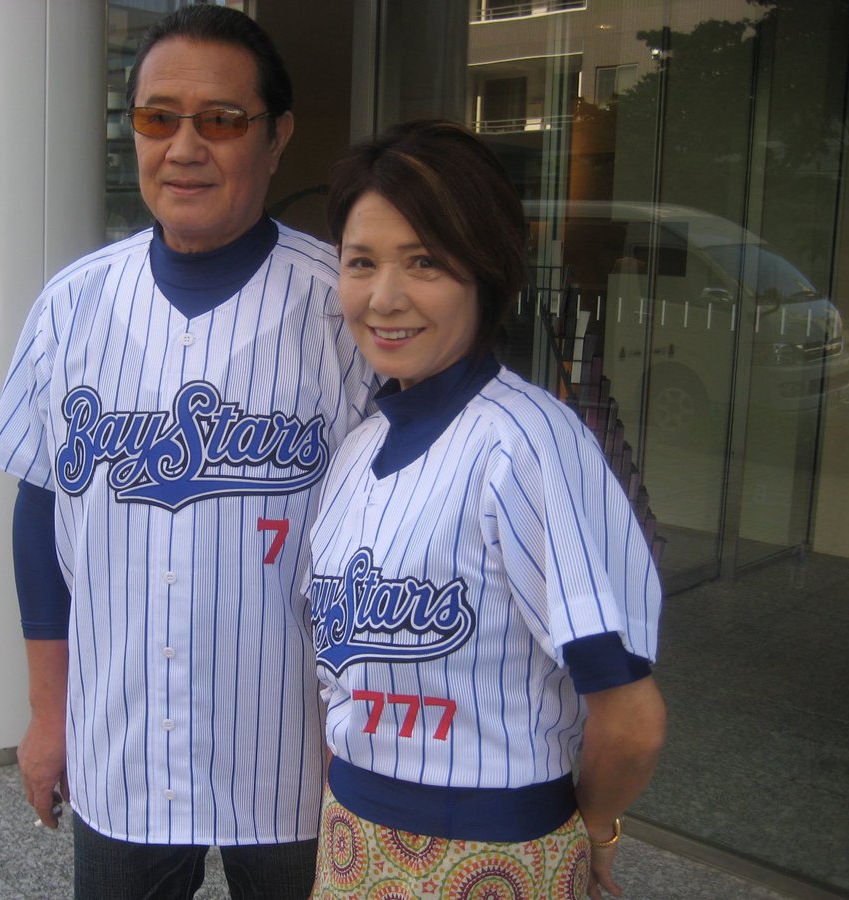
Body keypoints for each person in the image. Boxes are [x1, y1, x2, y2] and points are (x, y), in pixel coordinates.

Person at [0, 7, 374, 898]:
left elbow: (393, 533)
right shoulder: (71, 306)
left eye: (221, 120)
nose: (184, 147)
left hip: (296, 756)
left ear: (277, 136)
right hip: (119, 745)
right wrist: (48, 714)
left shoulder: (343, 308)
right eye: (159, 118)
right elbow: (39, 514)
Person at [306, 120, 667, 900]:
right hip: (353, 842)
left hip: (494, 858)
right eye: (361, 262)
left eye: (425, 261)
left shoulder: (527, 443)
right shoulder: (357, 449)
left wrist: (594, 829)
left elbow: (631, 718)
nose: (385, 297)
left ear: (486, 270)